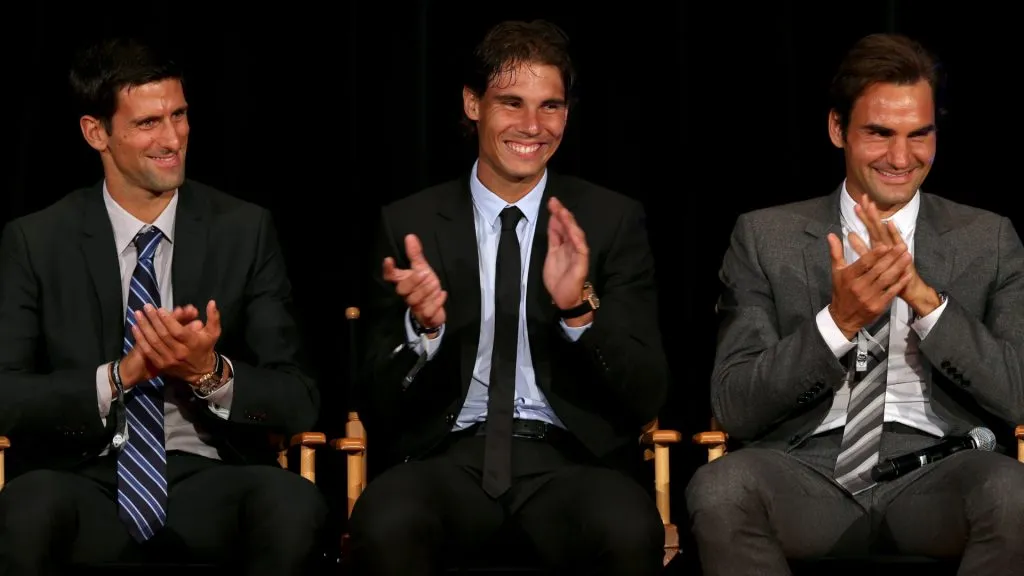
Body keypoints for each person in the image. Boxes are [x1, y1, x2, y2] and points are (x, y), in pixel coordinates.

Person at [685, 32, 1024, 574]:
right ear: (837, 129)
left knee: (1014, 494)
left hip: (937, 472)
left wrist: (927, 303)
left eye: (920, 135)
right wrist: (837, 323)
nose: (901, 157)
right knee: (721, 488)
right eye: (879, 133)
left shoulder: (989, 238)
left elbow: (1017, 393)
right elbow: (735, 404)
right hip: (805, 470)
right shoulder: (764, 235)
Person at [348, 19, 669, 576]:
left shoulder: (608, 221)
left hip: (570, 460)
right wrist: (424, 332)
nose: (531, 126)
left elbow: (646, 391)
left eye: (551, 106)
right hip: (447, 455)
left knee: (627, 529)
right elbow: (375, 396)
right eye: (511, 103)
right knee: (385, 522)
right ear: (473, 104)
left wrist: (578, 311)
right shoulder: (411, 222)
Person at [0, 37, 327, 575]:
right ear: (96, 133)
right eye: (148, 123)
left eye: (179, 115)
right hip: (84, 478)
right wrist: (120, 376)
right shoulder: (37, 241)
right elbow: (7, 395)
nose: (173, 138)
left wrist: (208, 372)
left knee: (290, 504)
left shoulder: (242, 230)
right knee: (27, 509)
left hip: (208, 477)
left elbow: (299, 397)